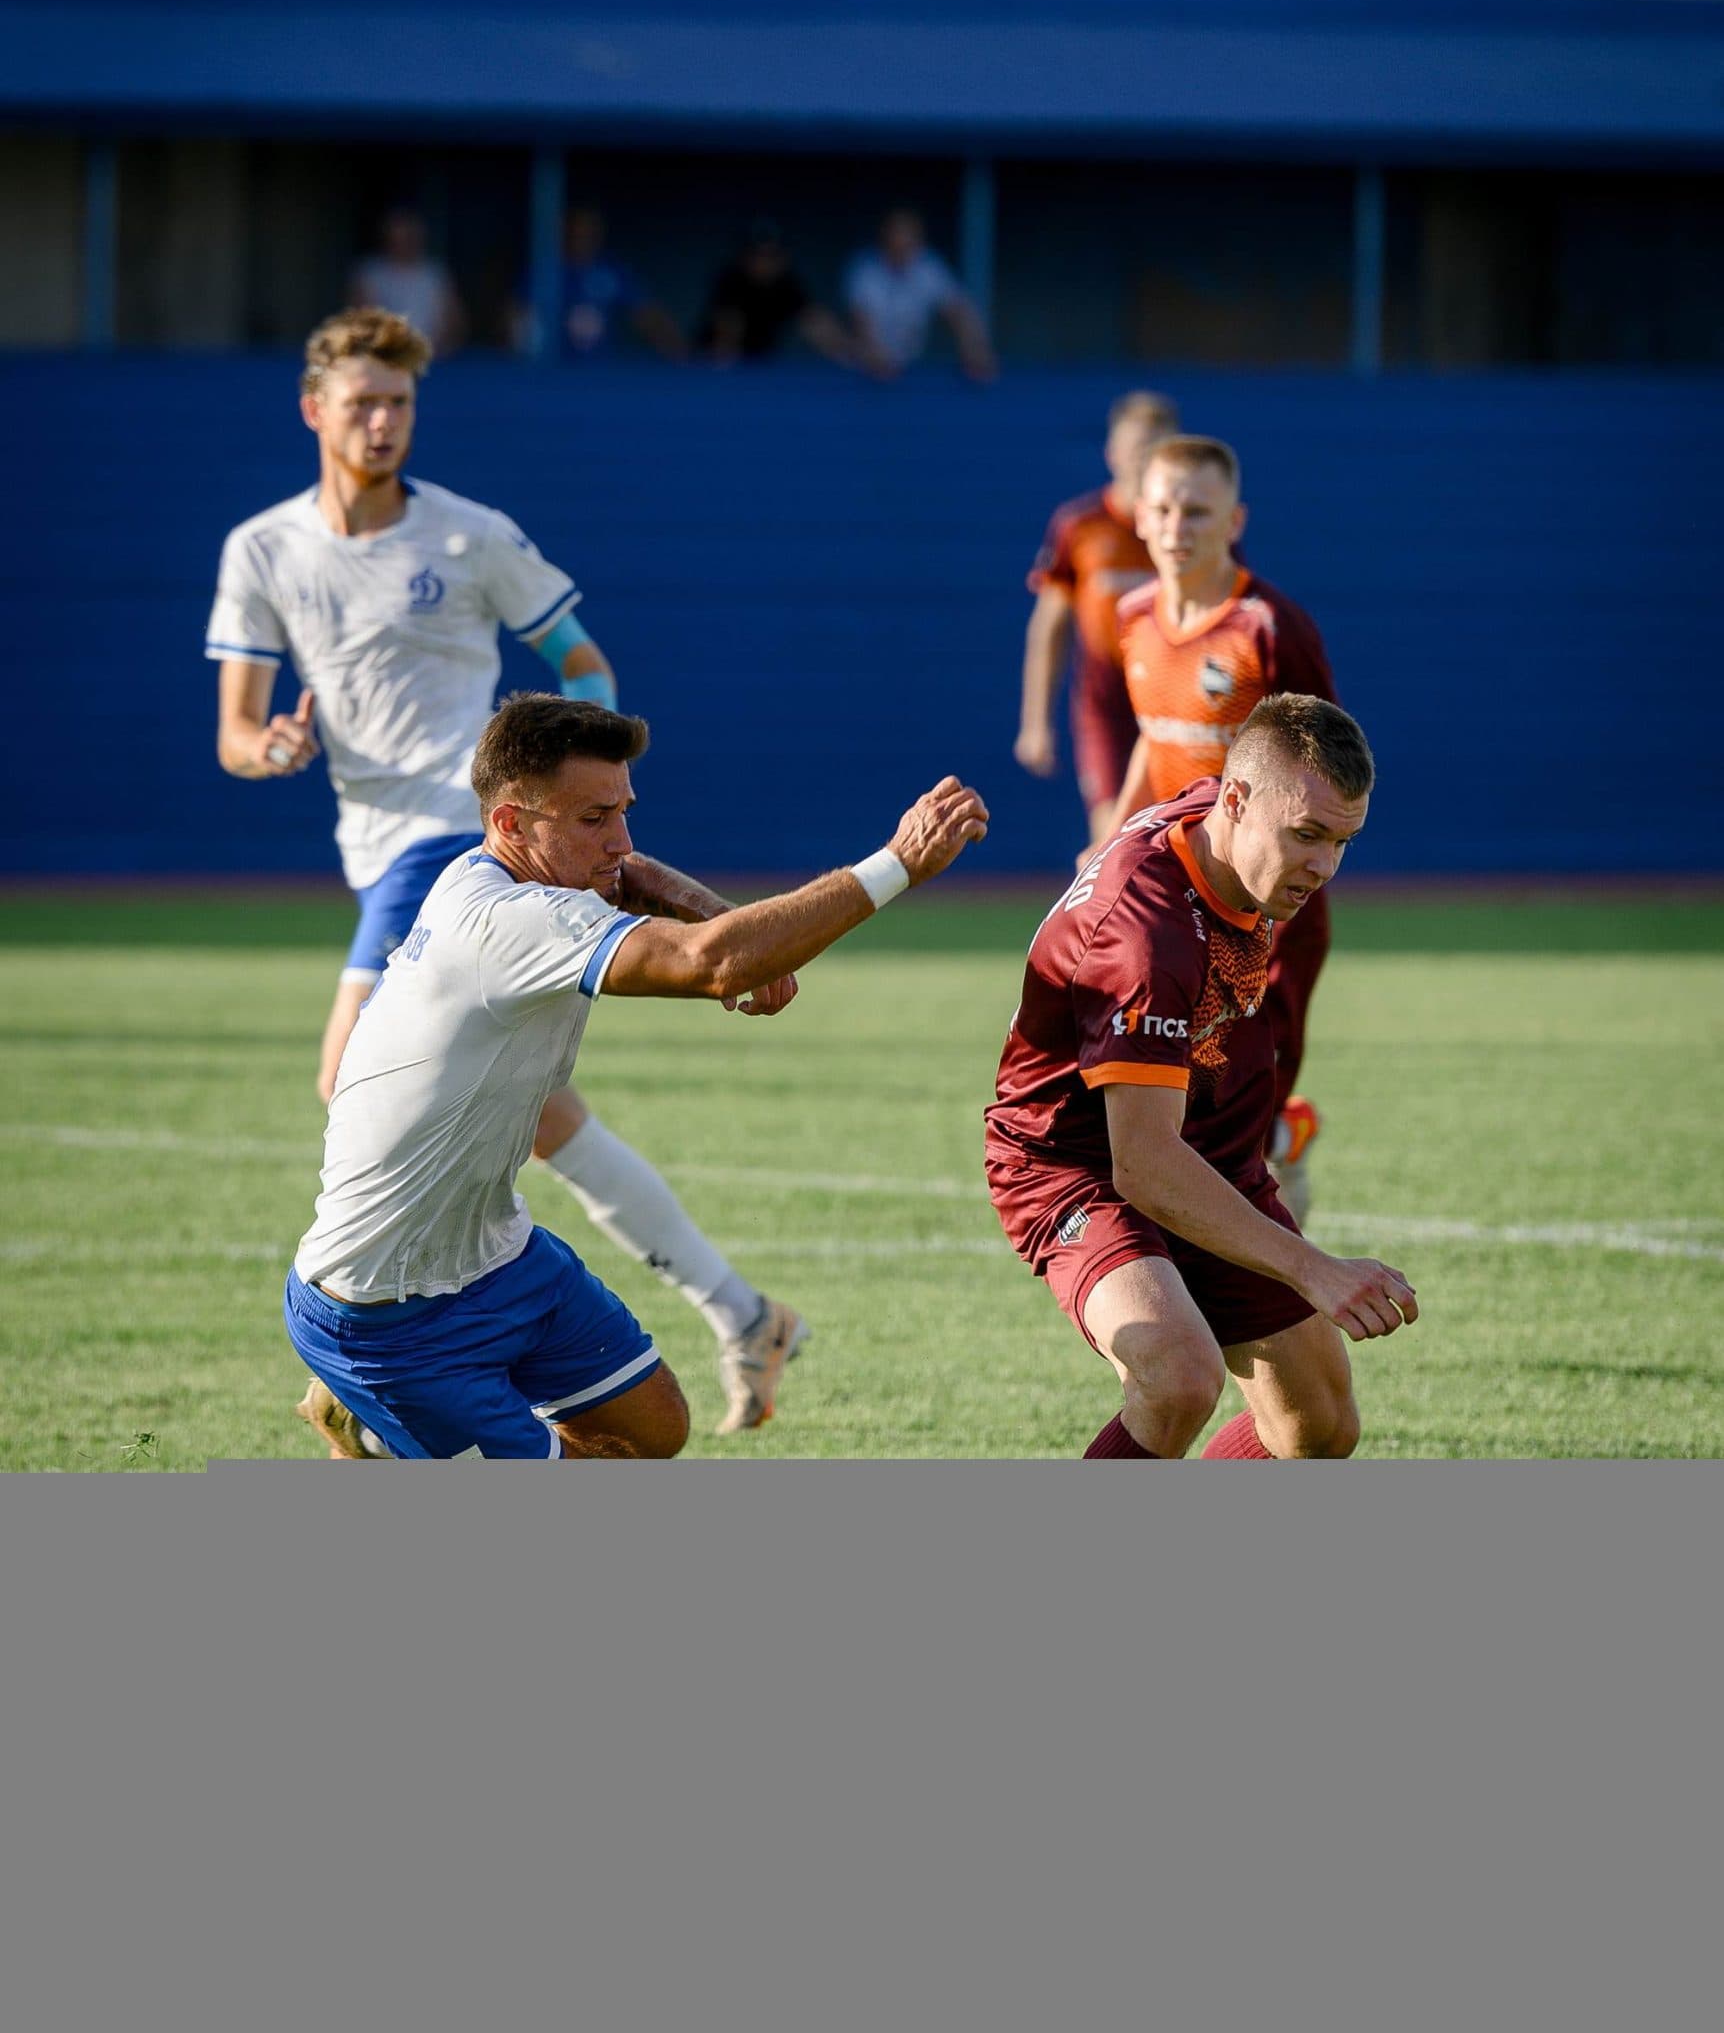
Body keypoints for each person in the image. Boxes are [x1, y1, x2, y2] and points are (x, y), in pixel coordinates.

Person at [207, 305, 805, 1437]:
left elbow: (579, 654)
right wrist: (271, 748)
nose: (383, 422)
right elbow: (234, 731)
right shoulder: (264, 549)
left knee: (356, 1077)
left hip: (459, 839)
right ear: (314, 411)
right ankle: (738, 1311)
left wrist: (547, 745)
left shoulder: (468, 533)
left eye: (401, 403)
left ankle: (361, 1351)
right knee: (531, 1112)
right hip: (374, 847)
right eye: (362, 402)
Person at [283, 695, 988, 1459]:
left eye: (624, 809)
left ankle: (400, 1434)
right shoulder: (508, 922)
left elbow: (636, 876)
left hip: (496, 1256)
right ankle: (383, 1428)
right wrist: (898, 865)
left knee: (650, 1432)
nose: (620, 838)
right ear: (511, 823)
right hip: (383, 1307)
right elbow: (707, 960)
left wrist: (701, 903)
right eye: (594, 820)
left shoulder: (499, 872)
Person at [985, 695, 1416, 1460]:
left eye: (1343, 841)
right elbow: (1143, 1164)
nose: (1322, 866)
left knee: (1318, 1426)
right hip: (1073, 1167)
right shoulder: (1146, 940)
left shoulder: (1218, 825)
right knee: (1179, 1375)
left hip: (1208, 1148)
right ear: (1239, 801)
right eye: (1307, 835)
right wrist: (1313, 1269)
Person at [1096, 435, 1337, 1216]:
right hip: (1179, 900)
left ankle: (1275, 1227)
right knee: (1173, 1101)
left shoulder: (1269, 629)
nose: (1176, 527)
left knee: (1239, 1110)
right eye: (1161, 508)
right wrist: (1110, 849)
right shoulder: (1131, 617)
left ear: (1234, 520)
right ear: (1138, 515)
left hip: (1263, 913)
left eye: (1197, 511)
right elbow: (1153, 736)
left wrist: (1293, 875)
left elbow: (1327, 769)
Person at [1015, 391, 1181, 846]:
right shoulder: (1080, 524)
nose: (1142, 459)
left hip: (1177, 700)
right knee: (1112, 839)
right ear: (1112, 452)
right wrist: (1035, 721)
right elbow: (1049, 625)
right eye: (1134, 447)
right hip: (1105, 701)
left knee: (1182, 835)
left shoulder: (1189, 526)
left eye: (1155, 447)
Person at [512, 204, 686, 363]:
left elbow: (648, 315)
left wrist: (677, 351)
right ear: (565, 231)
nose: (583, 237)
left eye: (590, 231)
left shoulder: (612, 270)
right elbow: (517, 316)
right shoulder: (544, 270)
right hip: (554, 368)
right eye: (577, 230)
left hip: (599, 372)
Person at [843, 208, 997, 384]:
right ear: (884, 241)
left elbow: (959, 312)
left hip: (910, 369)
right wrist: (874, 353)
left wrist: (975, 347)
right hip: (862, 372)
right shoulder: (864, 271)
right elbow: (861, 322)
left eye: (908, 244)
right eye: (895, 243)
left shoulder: (929, 268)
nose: (902, 251)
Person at [697, 219, 869, 371]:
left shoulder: (787, 284)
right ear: (744, 256)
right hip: (711, 363)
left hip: (761, 363)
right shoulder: (731, 280)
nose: (764, 262)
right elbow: (726, 335)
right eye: (758, 255)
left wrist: (853, 353)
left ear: (783, 257)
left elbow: (816, 323)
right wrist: (722, 365)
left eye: (772, 255)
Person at [350, 207, 465, 357]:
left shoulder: (435, 274)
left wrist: (438, 345)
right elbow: (361, 318)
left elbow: (454, 322)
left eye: (410, 235)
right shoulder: (371, 273)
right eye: (398, 235)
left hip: (434, 360)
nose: (404, 242)